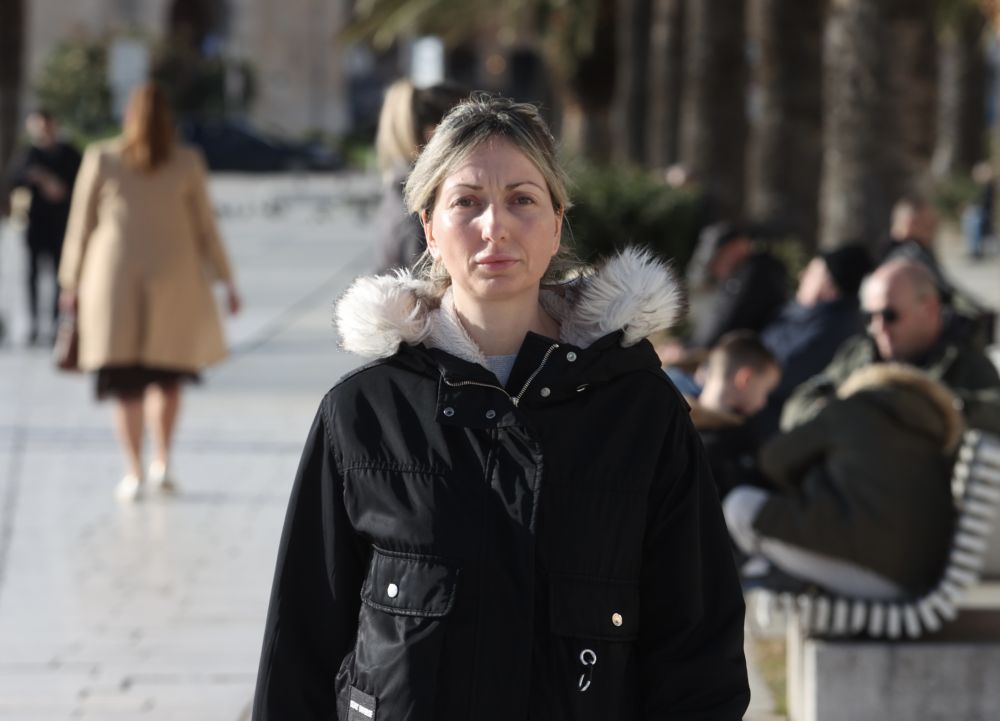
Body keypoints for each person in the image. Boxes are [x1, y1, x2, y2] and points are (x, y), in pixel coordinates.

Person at [252, 96, 749, 721]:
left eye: (522, 199)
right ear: (429, 227)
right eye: (466, 202)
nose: (496, 226)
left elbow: (699, 651)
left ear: (557, 222)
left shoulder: (640, 412)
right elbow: (300, 647)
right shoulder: (363, 414)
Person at [58, 83, 241, 501]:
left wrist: (70, 282)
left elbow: (81, 226)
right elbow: (206, 228)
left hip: (113, 282)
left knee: (126, 381)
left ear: (127, 115)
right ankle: (162, 460)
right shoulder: (187, 161)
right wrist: (227, 280)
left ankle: (134, 471)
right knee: (167, 375)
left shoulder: (102, 157)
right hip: (175, 280)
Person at [724, 362, 962, 599]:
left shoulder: (854, 408)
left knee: (738, 505)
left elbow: (773, 461)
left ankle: (774, 577)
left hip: (862, 569)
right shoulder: (932, 436)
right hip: (914, 581)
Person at [781, 258, 1000, 435]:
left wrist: (932, 407)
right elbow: (797, 408)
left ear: (929, 309)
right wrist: (835, 411)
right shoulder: (858, 354)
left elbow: (994, 414)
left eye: (889, 315)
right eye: (870, 317)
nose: (878, 328)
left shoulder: (964, 362)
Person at [754, 244, 872, 438]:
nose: (802, 276)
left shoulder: (832, 329)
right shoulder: (802, 314)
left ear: (830, 286)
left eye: (811, 273)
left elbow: (776, 375)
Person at [373, 78, 466, 272]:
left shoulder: (401, 190)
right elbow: (425, 282)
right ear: (435, 133)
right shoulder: (418, 207)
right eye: (469, 131)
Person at [7, 109, 81, 344]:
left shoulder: (69, 153)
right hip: (35, 223)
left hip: (61, 223)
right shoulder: (29, 154)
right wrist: (35, 178)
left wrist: (58, 186)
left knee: (62, 275)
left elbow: (83, 184)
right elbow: (13, 181)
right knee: (32, 275)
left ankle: (57, 323)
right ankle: (34, 324)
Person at [690, 331, 781, 499]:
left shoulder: (678, 425)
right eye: (765, 390)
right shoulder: (729, 443)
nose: (763, 402)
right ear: (745, 379)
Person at [686, 221, 788, 350]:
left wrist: (688, 348)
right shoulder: (745, 273)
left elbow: (724, 323)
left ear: (739, 244)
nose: (716, 268)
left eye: (720, 256)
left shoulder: (756, 271)